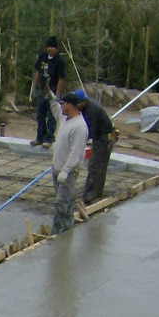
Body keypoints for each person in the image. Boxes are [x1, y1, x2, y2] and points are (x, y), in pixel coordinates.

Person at [51, 93, 88, 235]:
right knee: (66, 202)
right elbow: (55, 111)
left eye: (63, 104)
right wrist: (50, 95)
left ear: (70, 105)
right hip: (57, 169)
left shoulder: (79, 126)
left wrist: (66, 171)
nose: (61, 106)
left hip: (68, 173)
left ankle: (57, 232)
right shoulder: (65, 119)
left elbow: (77, 153)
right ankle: (67, 227)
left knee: (61, 203)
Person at [70, 89, 115, 203]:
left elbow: (90, 132)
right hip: (102, 138)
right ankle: (98, 192)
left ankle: (90, 194)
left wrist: (78, 143)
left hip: (104, 140)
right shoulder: (87, 108)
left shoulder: (91, 111)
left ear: (83, 101)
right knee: (100, 167)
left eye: (77, 103)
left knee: (95, 167)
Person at [31, 36, 66, 147]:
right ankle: (40, 137)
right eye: (48, 47)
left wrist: (57, 95)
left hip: (53, 91)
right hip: (43, 90)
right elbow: (37, 72)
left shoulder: (59, 61)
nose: (50, 49)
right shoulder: (43, 57)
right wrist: (34, 87)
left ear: (56, 48)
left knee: (52, 116)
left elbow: (61, 78)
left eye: (52, 47)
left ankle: (49, 139)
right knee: (40, 114)